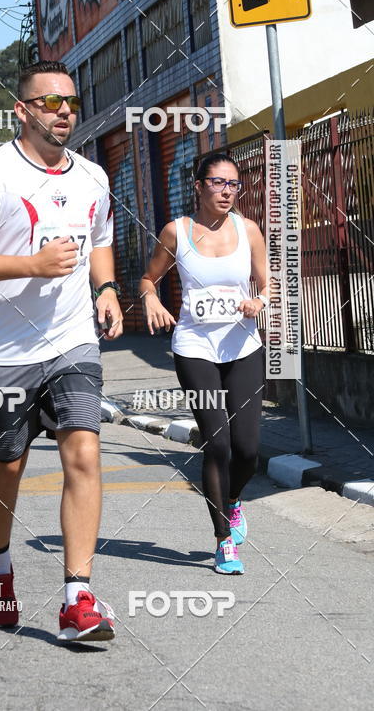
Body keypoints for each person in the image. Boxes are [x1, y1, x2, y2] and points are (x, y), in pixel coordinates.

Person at [0, 60, 123, 642]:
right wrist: (31, 265)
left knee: (84, 454)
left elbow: (100, 239)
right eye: (50, 102)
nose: (64, 111)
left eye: (71, 101)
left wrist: (106, 289)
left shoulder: (93, 176)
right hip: (4, 350)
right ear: (22, 111)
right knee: (9, 463)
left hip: (72, 340)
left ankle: (78, 599)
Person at [140, 153, 268, 575]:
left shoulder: (248, 230)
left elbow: (268, 281)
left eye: (234, 184)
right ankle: (223, 541)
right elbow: (148, 278)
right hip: (195, 349)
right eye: (218, 182)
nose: (227, 191)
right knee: (218, 444)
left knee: (247, 450)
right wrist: (151, 299)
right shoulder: (175, 232)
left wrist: (259, 301)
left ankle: (232, 499)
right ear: (198, 186)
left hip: (243, 348)